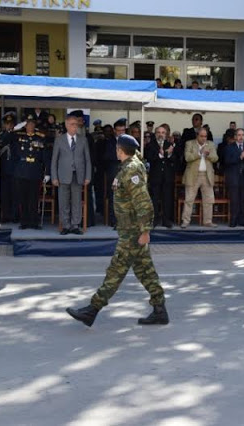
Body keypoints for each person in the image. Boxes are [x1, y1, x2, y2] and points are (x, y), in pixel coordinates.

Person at [66, 135, 168, 327]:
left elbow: (144, 203)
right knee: (145, 271)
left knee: (116, 270)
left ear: (119, 150)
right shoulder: (131, 164)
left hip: (132, 232)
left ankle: (92, 310)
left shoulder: (131, 169)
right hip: (131, 229)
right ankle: (160, 310)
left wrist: (145, 231)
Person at [51, 113, 92, 235]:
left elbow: (87, 160)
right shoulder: (59, 140)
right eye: (73, 124)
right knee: (63, 201)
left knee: (76, 201)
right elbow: (54, 160)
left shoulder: (83, 140)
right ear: (67, 125)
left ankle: (75, 225)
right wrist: (54, 177)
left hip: (78, 175)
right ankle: (66, 225)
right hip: (63, 175)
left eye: (76, 124)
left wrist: (88, 176)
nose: (75, 127)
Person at [13, 114, 51, 230]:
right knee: (23, 198)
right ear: (25, 125)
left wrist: (47, 173)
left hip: (35, 170)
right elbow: (6, 138)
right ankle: (24, 222)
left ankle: (34, 222)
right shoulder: (18, 136)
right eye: (28, 124)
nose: (30, 126)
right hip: (22, 170)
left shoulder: (40, 137)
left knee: (34, 198)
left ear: (35, 125)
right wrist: (15, 128)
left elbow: (46, 157)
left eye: (32, 124)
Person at [181, 127, 218, 228]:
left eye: (205, 136)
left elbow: (215, 158)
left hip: (207, 175)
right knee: (189, 199)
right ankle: (185, 221)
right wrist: (199, 153)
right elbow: (187, 157)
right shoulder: (189, 143)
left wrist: (208, 155)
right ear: (197, 135)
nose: (204, 138)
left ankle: (208, 221)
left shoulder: (210, 144)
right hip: (193, 175)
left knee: (209, 199)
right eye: (201, 136)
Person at [144, 125, 178, 228]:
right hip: (155, 176)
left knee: (167, 199)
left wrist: (169, 154)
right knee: (154, 199)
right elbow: (148, 157)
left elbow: (176, 160)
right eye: (158, 132)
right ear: (155, 134)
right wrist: (160, 155)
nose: (160, 134)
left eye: (163, 132)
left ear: (166, 134)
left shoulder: (170, 144)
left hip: (167, 176)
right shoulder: (151, 145)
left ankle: (166, 220)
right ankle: (154, 220)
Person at [224, 128, 244, 228]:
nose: (241, 137)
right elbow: (227, 161)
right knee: (234, 199)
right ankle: (233, 219)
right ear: (235, 137)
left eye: (242, 135)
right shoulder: (229, 147)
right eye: (239, 135)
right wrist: (240, 157)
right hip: (234, 177)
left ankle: (243, 219)